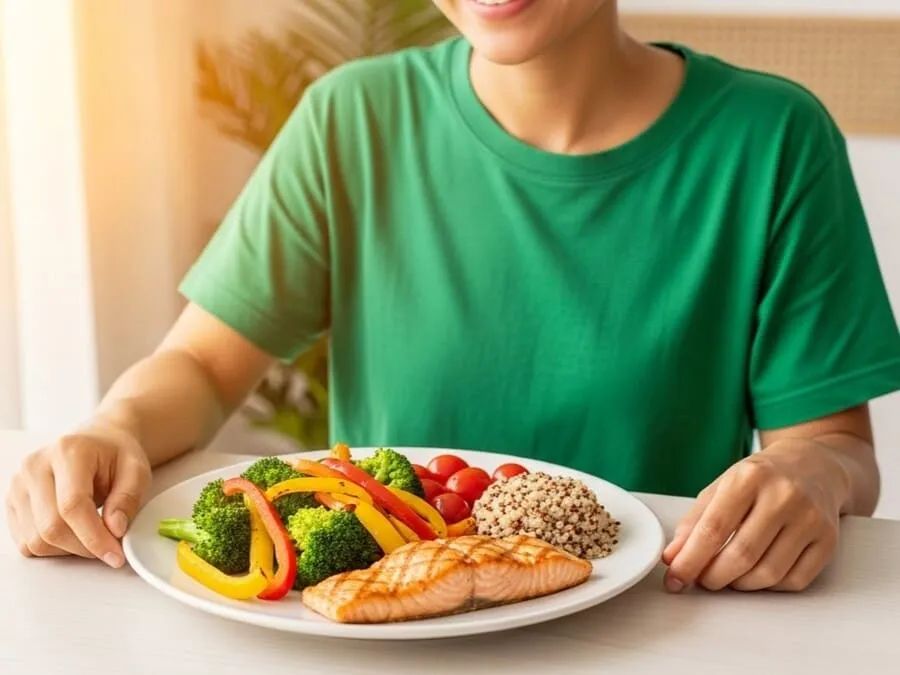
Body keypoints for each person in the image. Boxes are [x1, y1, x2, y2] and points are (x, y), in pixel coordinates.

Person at [6, 0, 900, 595]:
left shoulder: (773, 139)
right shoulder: (351, 118)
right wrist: (116, 424)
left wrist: (815, 472)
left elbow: (835, 448)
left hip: (662, 629)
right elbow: (203, 362)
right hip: (385, 632)